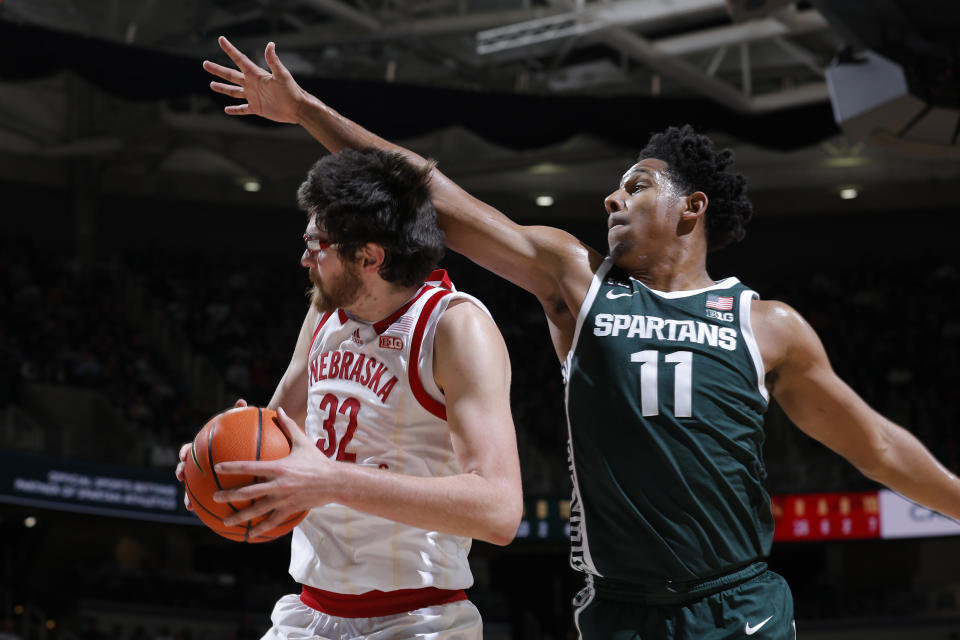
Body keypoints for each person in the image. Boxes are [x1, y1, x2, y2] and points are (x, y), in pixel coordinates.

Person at [202, 37, 960, 639]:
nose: (613, 194)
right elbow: (428, 190)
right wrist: (305, 111)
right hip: (618, 608)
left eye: (636, 185)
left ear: (692, 208)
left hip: (737, 604)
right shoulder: (578, 285)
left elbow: (879, 448)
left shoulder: (767, 326)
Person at [176, 147, 523, 639]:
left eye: (317, 244)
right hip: (310, 613)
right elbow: (276, 437)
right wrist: (219, 474)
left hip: (418, 619)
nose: (303, 258)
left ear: (370, 256)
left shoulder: (454, 327)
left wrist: (333, 481)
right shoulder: (324, 314)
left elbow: (500, 510)